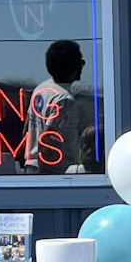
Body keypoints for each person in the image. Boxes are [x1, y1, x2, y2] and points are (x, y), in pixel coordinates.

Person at [25, 39, 89, 174]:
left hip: (31, 164)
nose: (82, 66)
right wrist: (47, 179)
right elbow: (47, 140)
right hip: (53, 171)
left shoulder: (40, 89)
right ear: (72, 66)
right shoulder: (64, 100)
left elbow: (26, 128)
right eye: (80, 62)